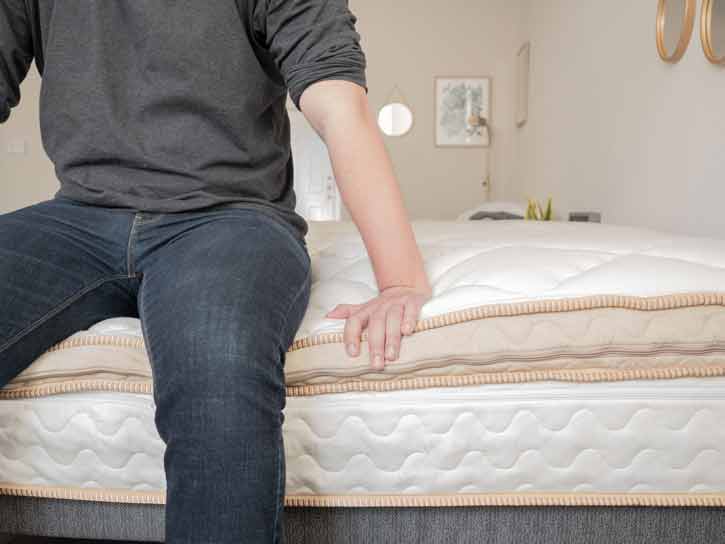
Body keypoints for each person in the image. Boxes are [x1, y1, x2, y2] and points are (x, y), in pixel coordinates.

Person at [0, 1, 432, 542]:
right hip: (80, 214)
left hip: (230, 217)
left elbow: (339, 104)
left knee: (218, 362)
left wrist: (400, 281)